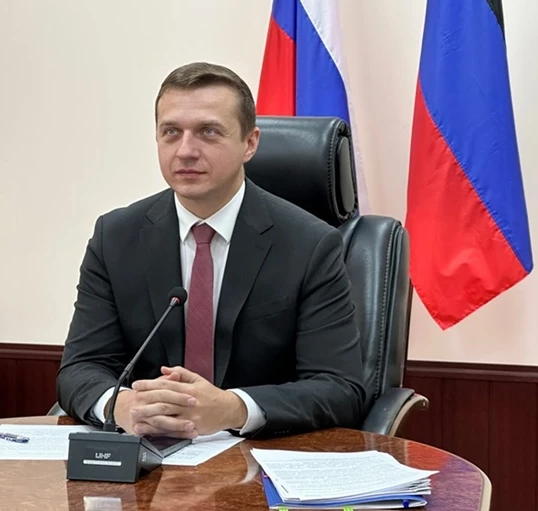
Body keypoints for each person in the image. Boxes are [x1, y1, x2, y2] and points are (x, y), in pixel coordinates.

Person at [56, 62, 366, 440]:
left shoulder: (310, 244)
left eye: (208, 132)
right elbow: (80, 368)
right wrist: (121, 406)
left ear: (250, 143)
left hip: (260, 454)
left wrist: (232, 408)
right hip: (146, 453)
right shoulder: (116, 237)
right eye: (171, 132)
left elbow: (339, 388)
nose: (186, 151)